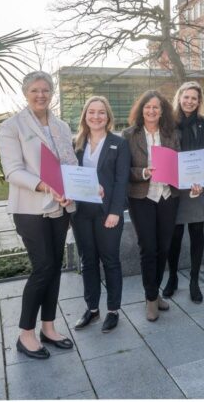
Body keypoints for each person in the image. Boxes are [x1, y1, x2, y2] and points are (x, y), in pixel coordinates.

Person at [0, 71, 76, 359]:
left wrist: (79, 188)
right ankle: (25, 334)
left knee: (55, 267)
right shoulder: (11, 127)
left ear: (52, 92)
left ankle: (49, 327)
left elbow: (70, 163)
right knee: (42, 267)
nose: (40, 95)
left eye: (45, 90)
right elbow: (12, 170)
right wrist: (45, 186)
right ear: (25, 92)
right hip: (30, 208)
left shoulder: (62, 126)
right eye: (34, 90)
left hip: (61, 206)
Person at [122, 91, 187, 322]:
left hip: (168, 196)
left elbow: (180, 164)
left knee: (164, 247)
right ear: (141, 110)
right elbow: (124, 170)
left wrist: (191, 179)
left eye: (156, 108)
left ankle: (155, 290)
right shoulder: (129, 135)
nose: (151, 111)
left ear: (162, 111)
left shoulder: (172, 134)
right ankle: (150, 297)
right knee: (148, 248)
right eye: (147, 107)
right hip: (142, 197)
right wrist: (143, 172)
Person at [70, 96, 130, 333]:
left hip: (108, 213)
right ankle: (92, 309)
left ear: (108, 117)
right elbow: (69, 175)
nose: (96, 116)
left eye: (101, 112)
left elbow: (121, 180)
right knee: (88, 262)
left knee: (111, 261)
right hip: (81, 213)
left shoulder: (118, 143)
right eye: (91, 112)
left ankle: (113, 309)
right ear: (85, 115)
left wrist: (116, 211)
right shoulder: (76, 143)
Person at [162, 82, 204, 304]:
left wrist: (199, 172)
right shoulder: (168, 122)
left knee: (197, 234)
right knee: (174, 237)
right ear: (179, 97)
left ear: (199, 101)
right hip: (175, 187)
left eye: (194, 98)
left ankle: (194, 281)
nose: (190, 101)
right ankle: (173, 277)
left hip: (197, 186)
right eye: (186, 97)